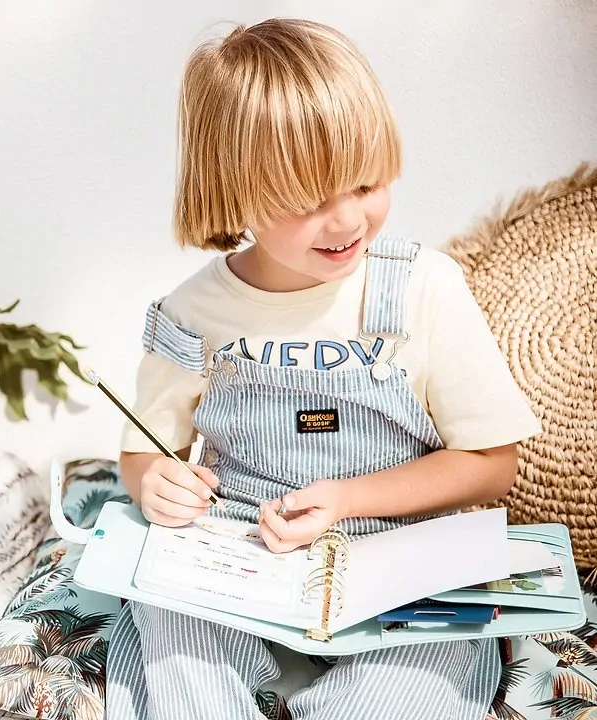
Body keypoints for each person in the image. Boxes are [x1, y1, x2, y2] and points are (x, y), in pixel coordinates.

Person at [106, 17, 543, 720]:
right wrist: (155, 484)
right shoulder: (191, 312)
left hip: (397, 555)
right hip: (240, 557)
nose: (345, 223)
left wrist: (345, 499)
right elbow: (142, 454)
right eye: (307, 203)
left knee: (426, 662)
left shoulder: (424, 288)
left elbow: (492, 465)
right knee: (171, 625)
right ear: (231, 190)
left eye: (365, 184)